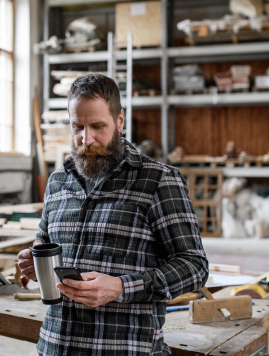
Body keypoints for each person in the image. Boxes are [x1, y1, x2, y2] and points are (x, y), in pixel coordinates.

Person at [17, 73, 209, 356]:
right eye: (77, 127)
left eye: (97, 126)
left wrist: (121, 287)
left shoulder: (158, 181)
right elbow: (45, 241)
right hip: (55, 346)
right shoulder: (58, 181)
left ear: (120, 121)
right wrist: (35, 260)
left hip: (123, 348)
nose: (87, 139)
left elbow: (195, 267)